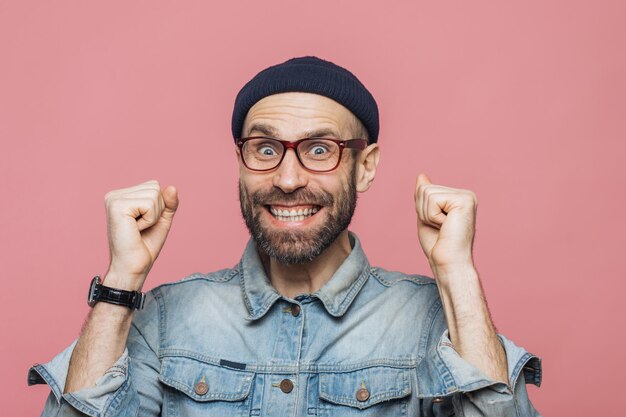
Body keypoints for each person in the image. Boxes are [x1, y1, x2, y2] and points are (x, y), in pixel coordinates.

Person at [29, 56, 542, 416]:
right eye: (265, 148)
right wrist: (122, 280)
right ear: (241, 161)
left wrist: (458, 276)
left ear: (365, 167)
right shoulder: (160, 320)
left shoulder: (435, 319)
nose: (288, 179)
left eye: (320, 150)